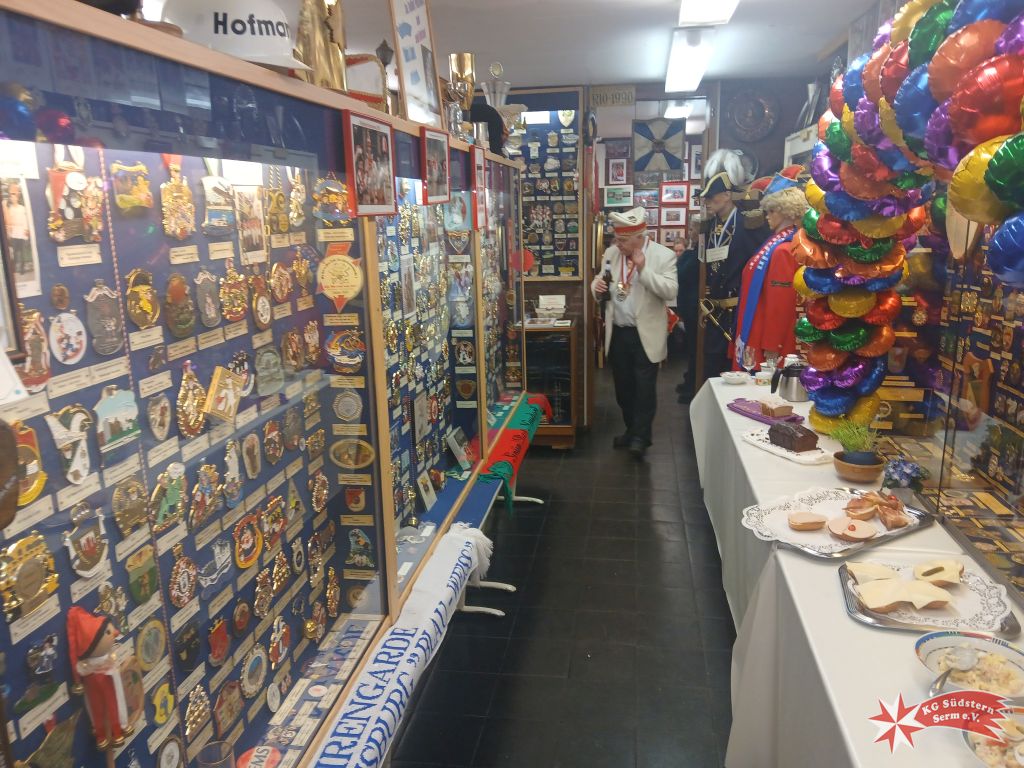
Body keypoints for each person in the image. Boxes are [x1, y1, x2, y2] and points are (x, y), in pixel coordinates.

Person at [591, 207, 678, 458]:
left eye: (623, 240)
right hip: (618, 332)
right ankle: (631, 430)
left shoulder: (663, 255)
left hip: (645, 333)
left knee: (644, 388)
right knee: (623, 388)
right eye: (616, 239)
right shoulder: (612, 253)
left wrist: (643, 270)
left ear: (640, 237)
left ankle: (641, 437)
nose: (617, 244)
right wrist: (596, 286)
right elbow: (601, 280)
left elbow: (670, 291)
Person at [700, 150, 769, 381]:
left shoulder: (749, 223)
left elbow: (760, 267)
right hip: (714, 312)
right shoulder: (710, 226)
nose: (707, 201)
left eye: (712, 196)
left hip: (738, 312)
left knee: (736, 373)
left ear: (727, 195)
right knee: (712, 370)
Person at [733, 172, 808, 371]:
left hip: (767, 338)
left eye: (772, 211)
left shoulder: (783, 250)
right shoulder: (779, 244)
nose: (767, 216)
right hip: (760, 329)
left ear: (785, 211)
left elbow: (780, 303)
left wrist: (772, 344)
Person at [675, 228, 701, 403]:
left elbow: (682, 273)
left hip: (694, 308)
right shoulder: (692, 253)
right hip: (688, 306)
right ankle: (690, 380)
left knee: (694, 349)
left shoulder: (695, 255)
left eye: (694, 229)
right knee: (691, 348)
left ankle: (693, 384)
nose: (691, 232)